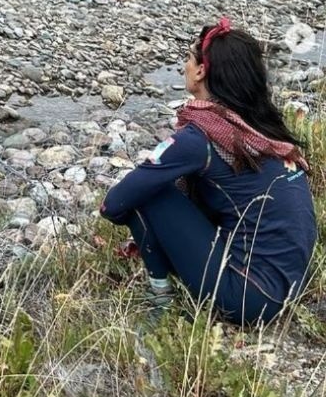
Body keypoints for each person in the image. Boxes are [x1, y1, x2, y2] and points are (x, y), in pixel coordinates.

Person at [100, 18, 316, 325]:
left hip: (249, 300)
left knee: (149, 194)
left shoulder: (199, 137)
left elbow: (115, 203)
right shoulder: (261, 127)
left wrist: (149, 233)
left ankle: (160, 306)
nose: (185, 66)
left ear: (201, 71)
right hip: (292, 286)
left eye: (189, 58)